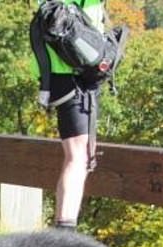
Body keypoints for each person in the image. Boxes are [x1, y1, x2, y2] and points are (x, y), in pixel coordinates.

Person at [32, 0, 105, 230]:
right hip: (73, 71)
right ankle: (65, 231)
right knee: (77, 155)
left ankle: (65, 228)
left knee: (78, 154)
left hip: (55, 72)